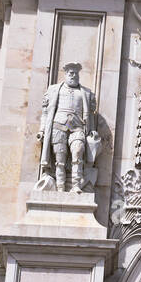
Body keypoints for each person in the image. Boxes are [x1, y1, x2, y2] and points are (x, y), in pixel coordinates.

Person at [37, 63, 98, 192]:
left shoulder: (86, 93)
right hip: (58, 126)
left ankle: (76, 185)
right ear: (65, 74)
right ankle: (60, 186)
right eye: (71, 73)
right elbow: (46, 113)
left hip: (77, 127)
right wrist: (42, 130)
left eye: (76, 73)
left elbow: (90, 116)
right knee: (60, 158)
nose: (73, 76)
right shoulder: (53, 90)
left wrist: (92, 129)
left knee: (78, 152)